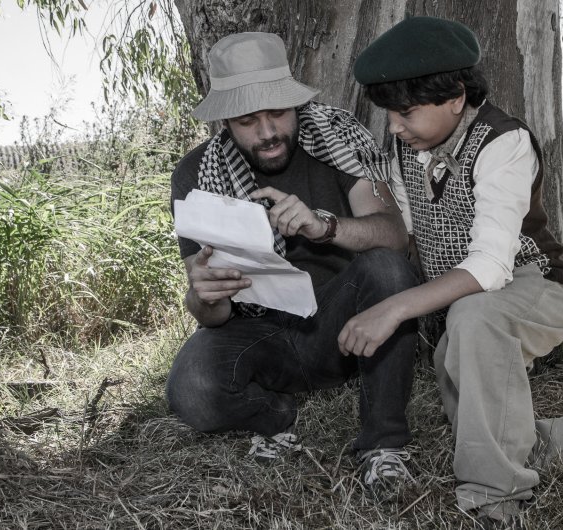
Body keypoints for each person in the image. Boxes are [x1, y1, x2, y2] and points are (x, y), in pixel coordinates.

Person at [349, 17, 563, 528]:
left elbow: (491, 266)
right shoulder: (406, 150)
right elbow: (402, 231)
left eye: (405, 112)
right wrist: (335, 225)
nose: (394, 127)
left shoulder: (503, 141)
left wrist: (395, 307)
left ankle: (494, 501)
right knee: (490, 434)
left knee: (473, 325)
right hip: (467, 309)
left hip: (534, 289)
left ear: (455, 97)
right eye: (389, 114)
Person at [165, 32, 419, 498]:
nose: (267, 133)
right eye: (248, 121)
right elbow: (210, 315)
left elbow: (394, 235)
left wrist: (324, 226)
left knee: (387, 269)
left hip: (342, 326)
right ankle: (277, 414)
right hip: (259, 330)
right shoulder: (197, 174)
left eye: (278, 113)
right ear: (226, 120)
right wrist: (204, 296)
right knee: (191, 389)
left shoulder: (339, 138)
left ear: (295, 104)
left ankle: (383, 444)